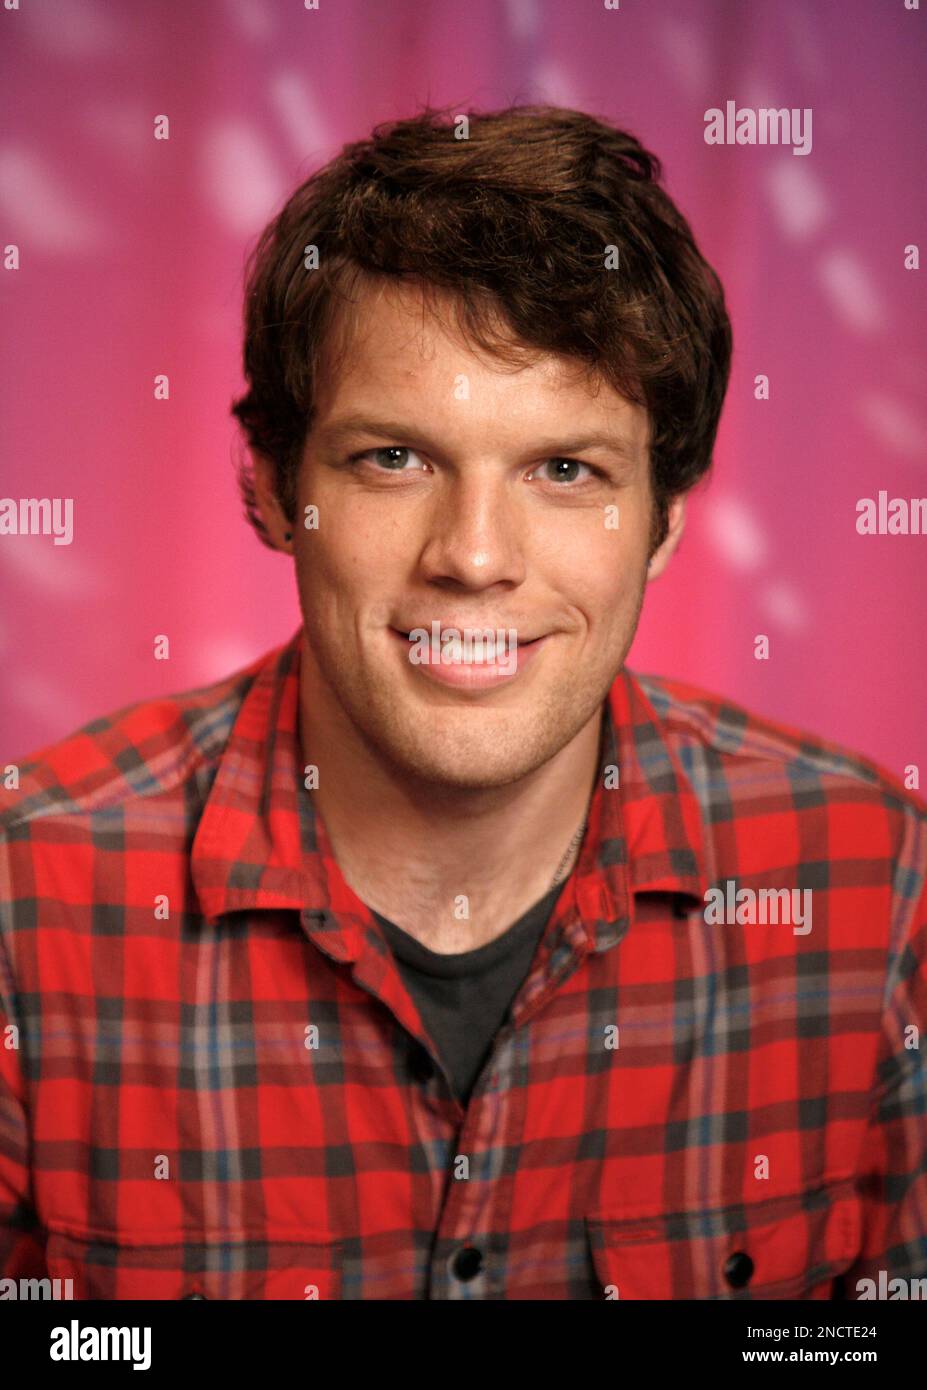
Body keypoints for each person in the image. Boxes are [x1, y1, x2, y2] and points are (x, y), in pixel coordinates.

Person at [1, 105, 924, 1302]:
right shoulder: (29, 901)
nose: (476, 556)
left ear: (666, 520)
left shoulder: (868, 880)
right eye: (394, 458)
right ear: (278, 490)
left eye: (565, 470)